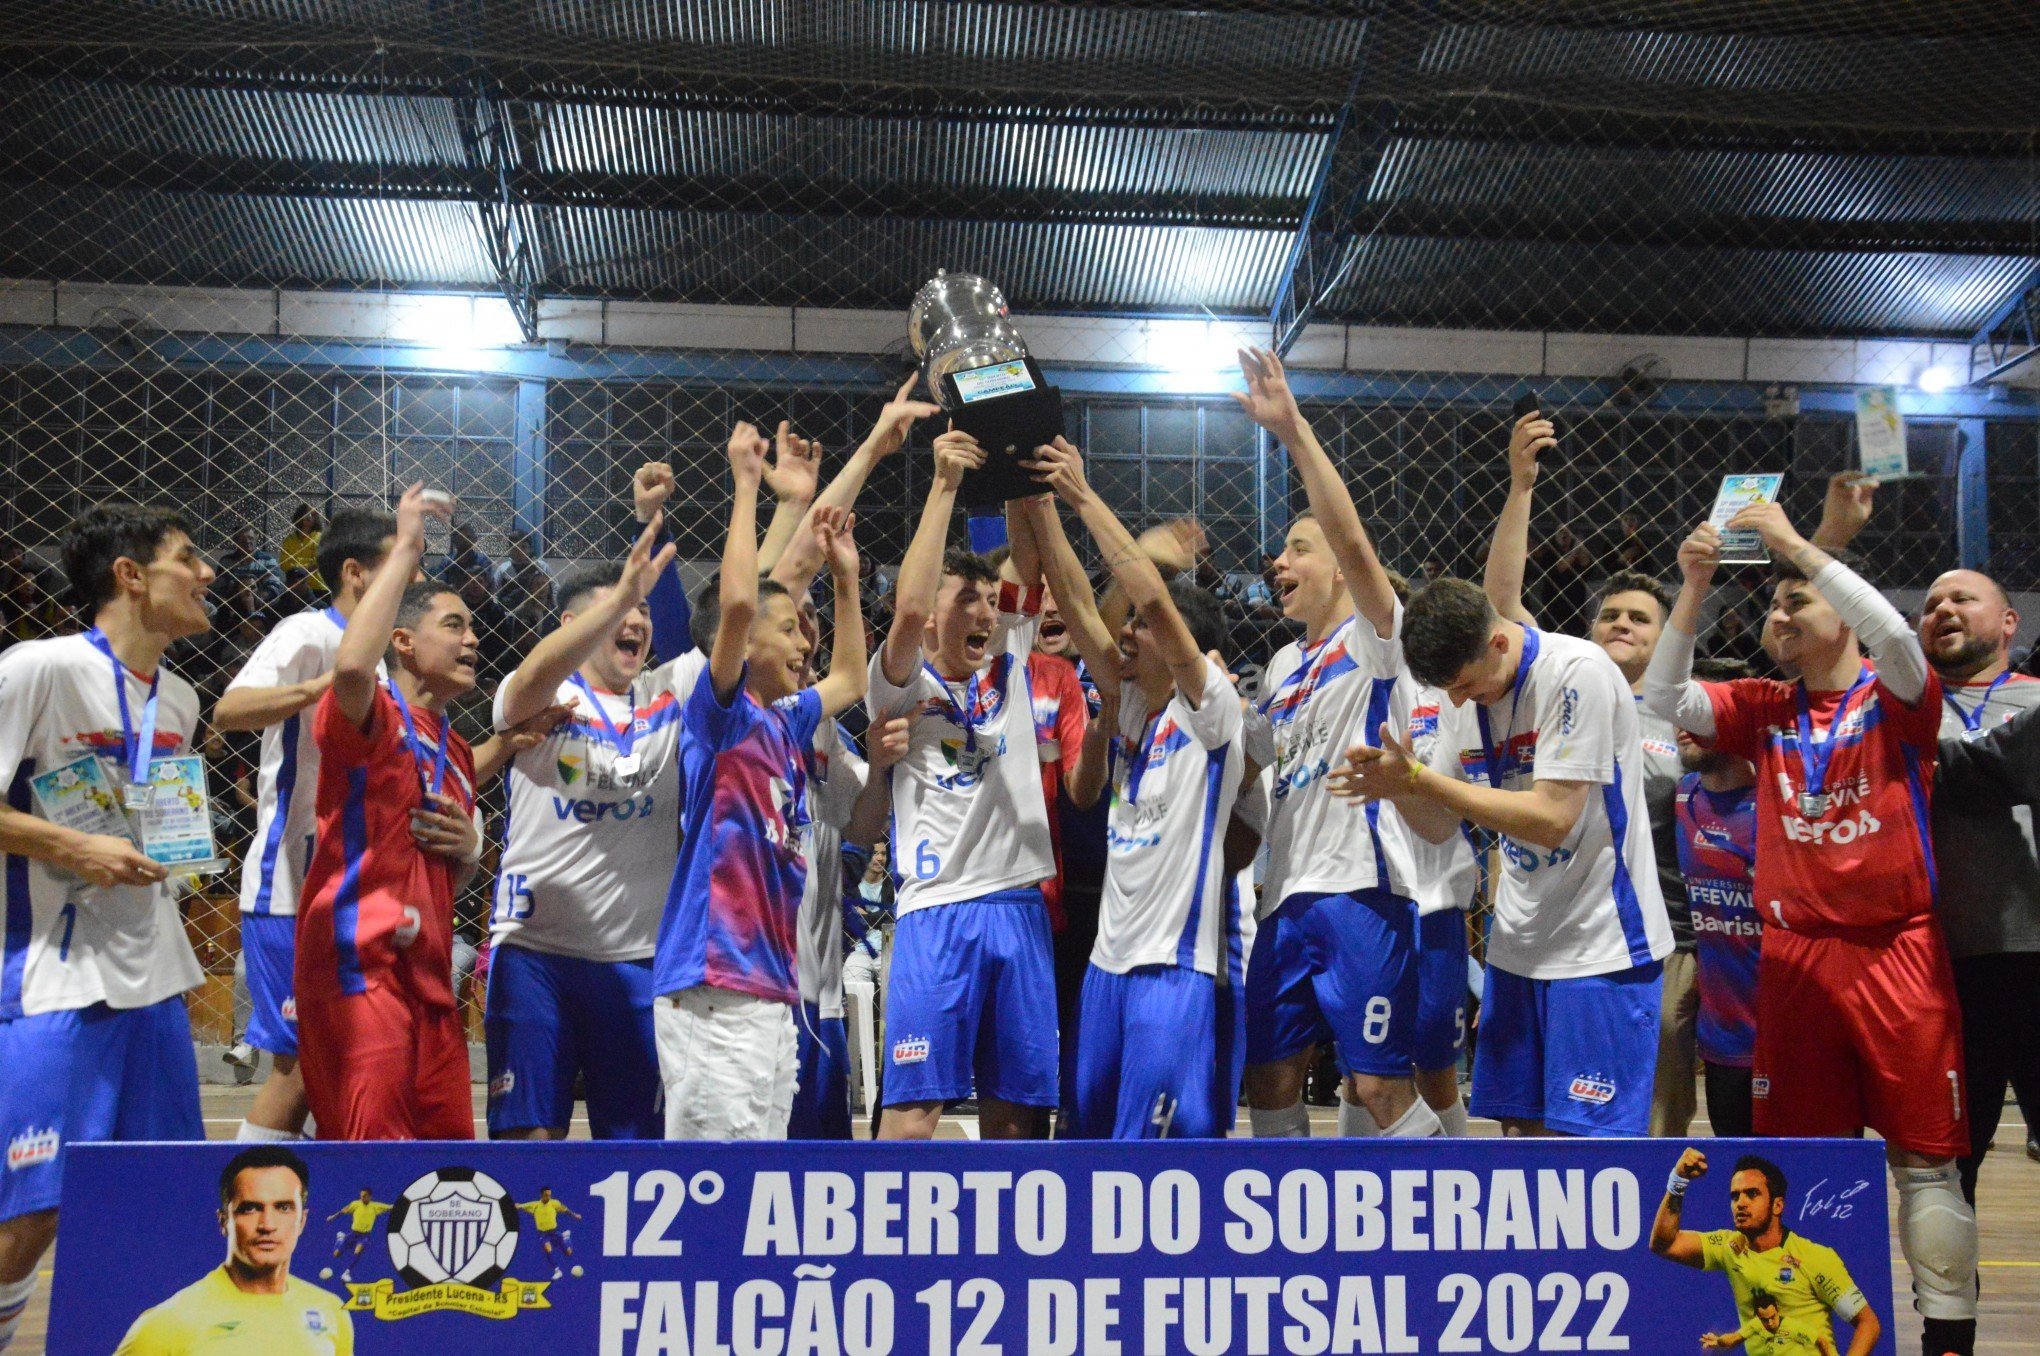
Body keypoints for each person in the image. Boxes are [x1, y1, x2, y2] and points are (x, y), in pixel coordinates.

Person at [1643, 506, 1978, 1356]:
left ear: (1842, 613)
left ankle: (1947, 1339)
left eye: (1800, 601)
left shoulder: (1898, 695)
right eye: (1775, 604)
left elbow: (1896, 639)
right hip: (1790, 965)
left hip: (1896, 952)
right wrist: (1691, 585)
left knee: (1925, 1162)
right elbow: (1662, 696)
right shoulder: (1763, 706)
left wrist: (1799, 548)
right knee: (1805, 1168)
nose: (1782, 613)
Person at [1331, 575, 1673, 1137]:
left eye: (1466, 685)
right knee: (1519, 1137)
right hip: (1518, 947)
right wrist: (1397, 789)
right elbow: (1441, 826)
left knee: (1585, 1149)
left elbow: (1551, 819)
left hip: (1602, 945)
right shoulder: (1460, 695)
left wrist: (1420, 779)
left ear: (1497, 641)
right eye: (1449, 690)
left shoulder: (1576, 672)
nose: (1460, 699)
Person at [0, 504, 214, 1351]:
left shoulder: (184, 700)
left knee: (172, 1203)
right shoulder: (38, 669)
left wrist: (177, 849)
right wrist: (70, 844)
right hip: (55, 977)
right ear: (131, 575)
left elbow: (162, 828)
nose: (207, 575)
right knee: (32, 1211)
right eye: (189, 558)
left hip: (156, 982)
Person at [1223, 348, 1443, 1141]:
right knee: (1270, 1082)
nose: (1279, 561)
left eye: (1297, 548)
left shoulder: (1380, 638)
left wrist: (1293, 431)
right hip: (1284, 900)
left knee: (1378, 1089)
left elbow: (1352, 540)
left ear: (1343, 572)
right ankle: (1289, 1237)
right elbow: (1243, 754)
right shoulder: (1282, 666)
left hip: (1363, 889)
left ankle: (1448, 1215)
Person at [1481, 408, 1697, 1137]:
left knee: (1643, 1124)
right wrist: (1520, 488)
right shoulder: (1559, 685)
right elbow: (1503, 606)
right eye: (1609, 614)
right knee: (1530, 1125)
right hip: (1542, 929)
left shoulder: (1687, 710)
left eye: (1641, 617)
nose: (1621, 625)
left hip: (1643, 932)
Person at [1021, 440, 1246, 1138]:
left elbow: (1150, 592)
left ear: (1188, 648)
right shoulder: (1134, 711)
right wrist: (1033, 496)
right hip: (1106, 969)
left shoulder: (1211, 713)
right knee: (1085, 1145)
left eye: (1143, 628)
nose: (1126, 631)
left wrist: (1085, 496)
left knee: (1152, 1164)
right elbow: (1079, 598)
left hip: (1170, 973)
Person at [655, 423, 866, 1140]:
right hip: (715, 982)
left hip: (771, 989)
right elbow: (739, 604)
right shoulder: (720, 717)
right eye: (791, 629)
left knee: (759, 1179)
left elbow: (851, 678)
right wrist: (746, 485)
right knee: (717, 1186)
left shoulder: (784, 723)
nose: (806, 642)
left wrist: (847, 580)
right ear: (743, 645)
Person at [866, 425, 1062, 1142]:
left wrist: (1014, 458)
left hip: (1017, 907)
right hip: (935, 912)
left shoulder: (1009, 655)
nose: (982, 611)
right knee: (912, 1115)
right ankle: (891, 1255)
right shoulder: (897, 683)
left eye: (987, 599)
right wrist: (945, 485)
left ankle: (1012, 1259)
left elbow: (1030, 563)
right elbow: (910, 608)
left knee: (1017, 1120)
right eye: (965, 599)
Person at [294, 485, 484, 1141]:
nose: (473, 639)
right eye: (454, 626)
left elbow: (437, 859)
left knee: (447, 1169)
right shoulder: (369, 712)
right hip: (361, 969)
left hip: (429, 982)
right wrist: (406, 546)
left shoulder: (455, 745)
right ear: (401, 640)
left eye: (473, 626)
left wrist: (469, 844)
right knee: (371, 1177)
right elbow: (350, 666)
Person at [485, 516, 680, 1141]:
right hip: (535, 952)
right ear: (572, 627)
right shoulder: (541, 696)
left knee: (636, 1152)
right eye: (622, 608)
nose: (637, 621)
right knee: (528, 1144)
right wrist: (621, 598)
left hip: (637, 960)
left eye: (644, 610)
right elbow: (534, 673)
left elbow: (751, 601)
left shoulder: (669, 693)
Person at [212, 507, 398, 1143]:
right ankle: (245, 1211)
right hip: (289, 887)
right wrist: (327, 685)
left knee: (344, 1064)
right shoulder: (310, 633)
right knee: (296, 1071)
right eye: (397, 563)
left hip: (349, 891)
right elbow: (230, 710)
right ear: (355, 572)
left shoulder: (382, 660)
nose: (410, 578)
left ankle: (320, 1212)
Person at [1913, 568, 2040, 1203]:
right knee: (1948, 1166)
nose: (1943, 610)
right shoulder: (1894, 709)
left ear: (2010, 621)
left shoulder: (2037, 701)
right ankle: (1949, 1303)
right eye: (1931, 604)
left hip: (2035, 954)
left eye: (1963, 598)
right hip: (1938, 967)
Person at [115, 1146, 350, 1355]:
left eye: (283, 1208)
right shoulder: (168, 1322)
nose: (267, 1225)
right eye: (250, 1209)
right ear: (224, 1221)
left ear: (302, 1221)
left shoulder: (330, 1310)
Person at [1651, 1148, 1881, 1356]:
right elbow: (1665, 1244)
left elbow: (1867, 1324)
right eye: (1735, 1196)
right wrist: (1678, 1181)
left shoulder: (1815, 1258)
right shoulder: (1728, 1247)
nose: (1740, 1203)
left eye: (1752, 1194)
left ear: (1777, 1205)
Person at [1673, 660, 1762, 1137]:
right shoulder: (1682, 796)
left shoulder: (1781, 800)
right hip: (1723, 1038)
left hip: (1791, 1036)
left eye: (1700, 711)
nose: (1683, 723)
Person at [321, 1190, 389, 1283]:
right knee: (336, 1254)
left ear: (370, 1196)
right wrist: (333, 1217)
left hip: (364, 1236)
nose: (362, 1198)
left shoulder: (376, 1206)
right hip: (353, 1234)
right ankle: (340, 1239)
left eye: (364, 1196)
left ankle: (346, 1273)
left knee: (357, 1251)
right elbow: (343, 1211)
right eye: (361, 1196)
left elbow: (390, 1207)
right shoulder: (355, 1204)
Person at [516, 1189, 582, 1281]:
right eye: (546, 1195)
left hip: (554, 1232)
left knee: (568, 1253)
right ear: (542, 1195)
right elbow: (520, 1206)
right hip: (543, 1233)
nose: (548, 1197)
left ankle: (566, 1237)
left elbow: (565, 1210)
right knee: (548, 1248)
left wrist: (575, 1215)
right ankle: (557, 1271)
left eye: (549, 1195)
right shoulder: (534, 1205)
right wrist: (517, 1206)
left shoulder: (555, 1203)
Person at [279, 505, 321, 579]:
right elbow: (284, 564)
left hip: (316, 586)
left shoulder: (320, 538)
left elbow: (317, 563)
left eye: (313, 514)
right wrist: (305, 565)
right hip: (294, 583)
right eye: (306, 514)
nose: (309, 516)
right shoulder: (289, 540)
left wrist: (296, 565)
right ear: (299, 516)